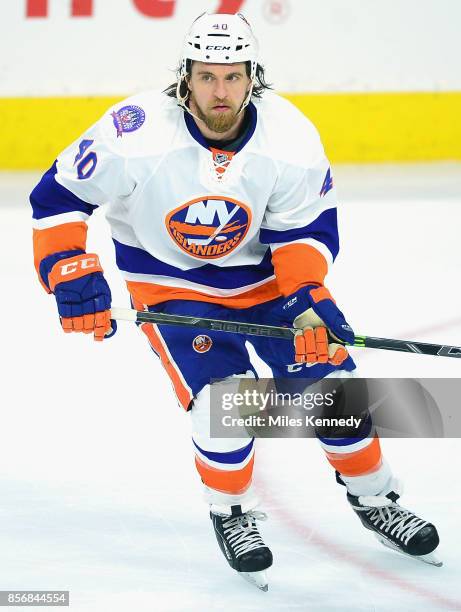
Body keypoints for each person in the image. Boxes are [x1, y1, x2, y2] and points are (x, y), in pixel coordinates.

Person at [30, 11, 440, 590]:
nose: (219, 92)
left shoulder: (290, 136)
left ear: (253, 76)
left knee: (334, 393)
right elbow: (57, 199)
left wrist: (308, 297)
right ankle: (231, 512)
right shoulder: (134, 130)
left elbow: (303, 233)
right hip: (173, 289)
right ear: (185, 78)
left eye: (231, 77)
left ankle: (377, 500)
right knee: (226, 404)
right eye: (205, 77)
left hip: (268, 286)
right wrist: (67, 270)